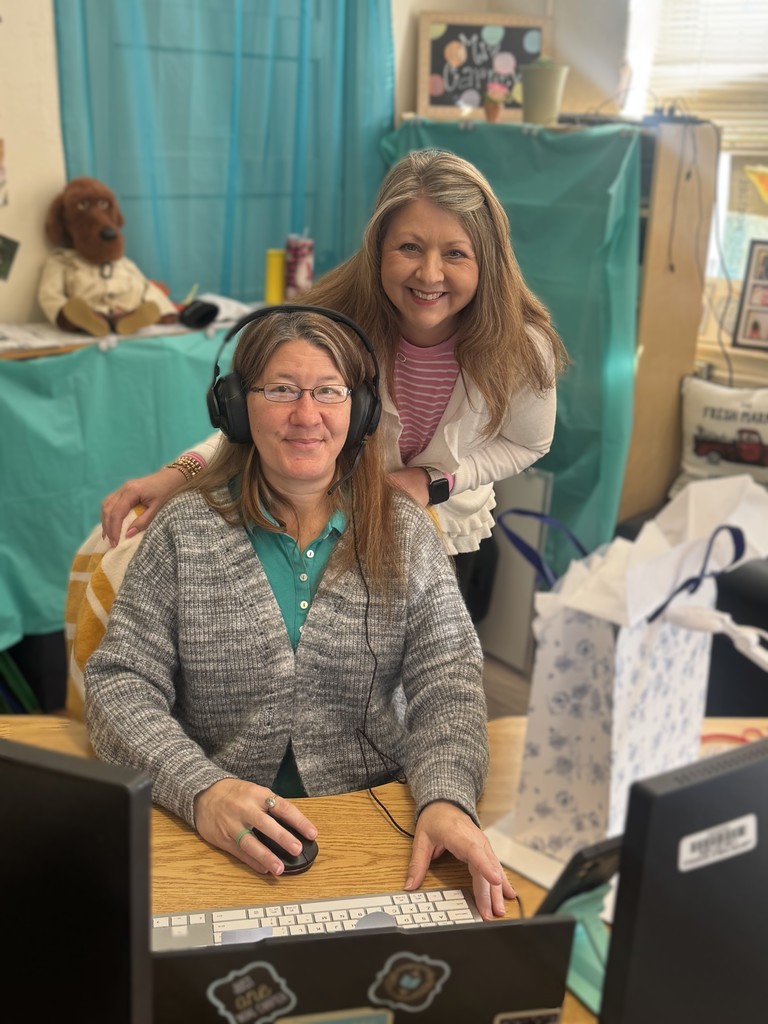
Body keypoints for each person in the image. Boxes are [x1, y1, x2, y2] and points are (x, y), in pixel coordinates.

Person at [84, 307, 515, 919]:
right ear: (235, 407)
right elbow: (118, 685)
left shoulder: (405, 532)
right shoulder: (185, 530)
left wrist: (445, 797)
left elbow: (448, 681)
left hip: (377, 823)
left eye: (329, 392)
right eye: (281, 390)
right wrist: (199, 789)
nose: (306, 415)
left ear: (359, 410)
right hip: (212, 832)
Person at [101, 148, 568, 599]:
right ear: (377, 248)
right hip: (332, 519)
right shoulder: (331, 317)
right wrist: (182, 471)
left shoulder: (523, 345)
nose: (429, 275)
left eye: (455, 254)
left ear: (488, 261)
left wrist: (433, 481)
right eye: (409, 247)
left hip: (447, 526)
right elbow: (270, 417)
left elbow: (528, 443)